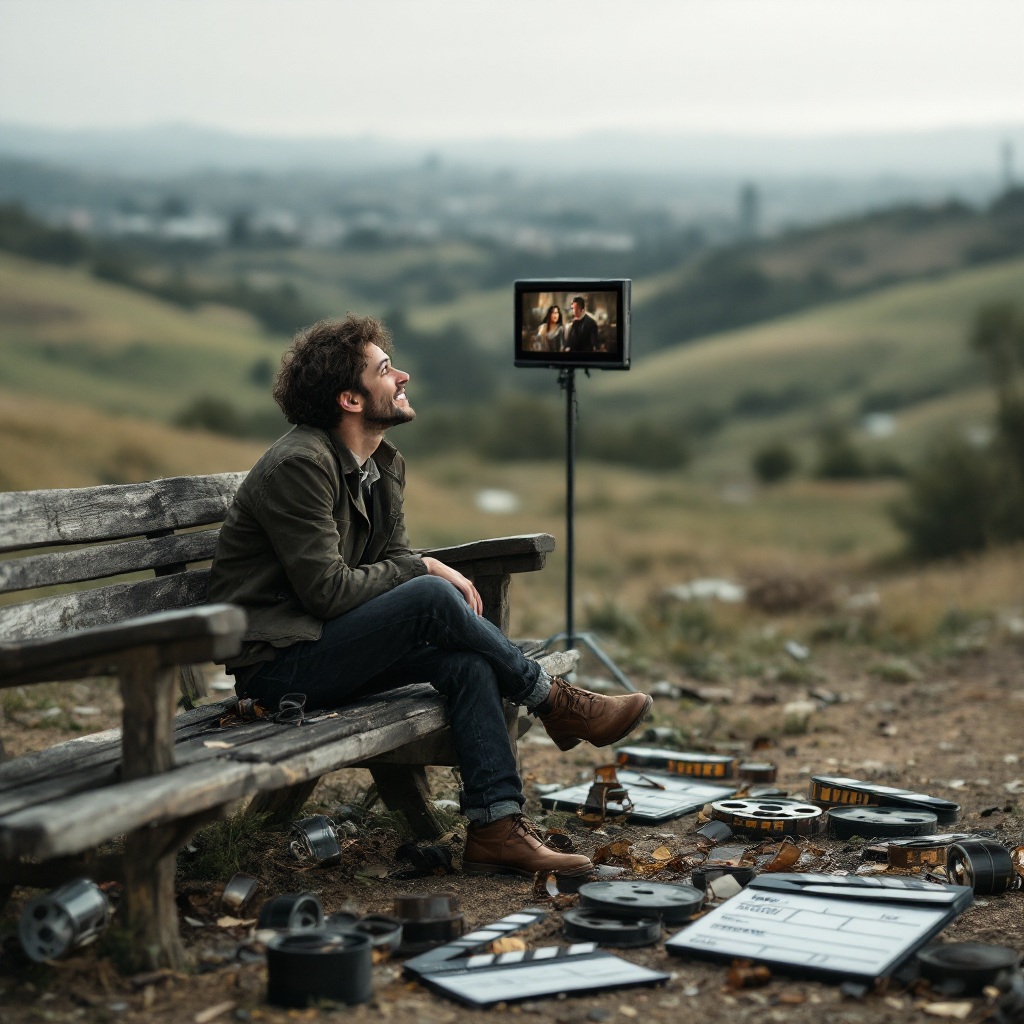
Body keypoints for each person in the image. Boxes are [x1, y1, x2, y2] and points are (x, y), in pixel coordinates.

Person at [209, 315, 652, 877]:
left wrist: (415, 568)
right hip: (278, 672)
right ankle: (556, 703)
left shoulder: (382, 464)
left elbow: (388, 564)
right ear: (349, 398)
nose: (403, 377)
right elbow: (328, 591)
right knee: (430, 596)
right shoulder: (301, 465)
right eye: (386, 370)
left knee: (467, 662)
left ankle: (495, 829)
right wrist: (424, 568)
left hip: (329, 648)